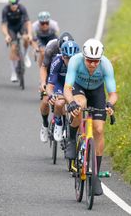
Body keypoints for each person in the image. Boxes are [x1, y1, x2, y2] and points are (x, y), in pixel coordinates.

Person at [64, 39, 118, 196]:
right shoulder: (75, 61)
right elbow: (67, 89)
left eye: (96, 61)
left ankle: (95, 175)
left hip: (97, 92)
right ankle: (72, 139)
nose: (93, 64)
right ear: (84, 57)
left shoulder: (106, 65)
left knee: (99, 129)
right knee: (80, 105)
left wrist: (110, 104)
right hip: (78, 89)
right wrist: (71, 102)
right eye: (89, 60)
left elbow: (113, 93)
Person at [38, 32, 73, 143]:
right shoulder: (51, 49)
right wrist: (43, 82)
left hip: (67, 76)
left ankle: (63, 121)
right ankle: (44, 124)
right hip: (52, 74)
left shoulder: (74, 51)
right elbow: (44, 67)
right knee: (45, 100)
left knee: (63, 101)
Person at [47, 41, 80, 141]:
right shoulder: (57, 61)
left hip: (73, 85)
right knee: (59, 103)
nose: (70, 61)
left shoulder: (81, 62)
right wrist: (51, 95)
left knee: (79, 104)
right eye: (67, 58)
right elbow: (50, 85)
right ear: (62, 57)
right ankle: (58, 122)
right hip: (60, 84)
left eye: (72, 58)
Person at [1, 0, 33, 82]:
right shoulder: (5, 10)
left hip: (20, 26)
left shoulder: (22, 8)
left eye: (16, 4)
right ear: (9, 3)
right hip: (11, 28)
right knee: (13, 47)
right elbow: (4, 25)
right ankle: (13, 73)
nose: (14, 6)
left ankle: (26, 55)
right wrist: (6, 35)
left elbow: (28, 22)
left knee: (26, 38)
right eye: (12, 4)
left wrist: (30, 34)